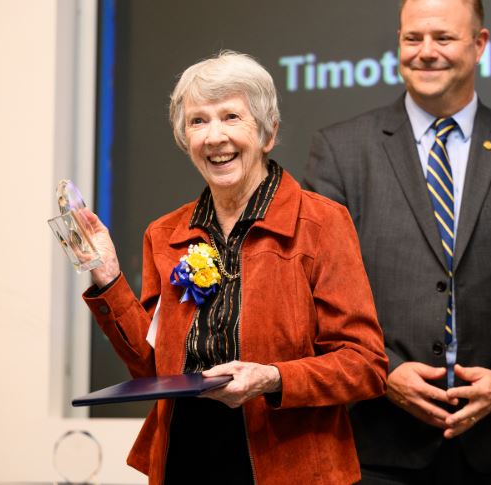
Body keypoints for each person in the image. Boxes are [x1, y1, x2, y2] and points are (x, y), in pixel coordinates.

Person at [304, 0, 491, 483]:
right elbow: (313, 287)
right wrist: (382, 373)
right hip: (376, 443)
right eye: (413, 39)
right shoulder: (340, 152)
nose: (426, 52)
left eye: (444, 38)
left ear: (480, 45)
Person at [82, 50, 388, 485]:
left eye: (231, 117)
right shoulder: (164, 234)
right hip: (185, 458)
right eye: (198, 121)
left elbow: (366, 366)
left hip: (290, 463)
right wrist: (108, 277)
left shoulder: (322, 223)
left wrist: (272, 378)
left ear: (267, 133)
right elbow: (152, 372)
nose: (214, 136)